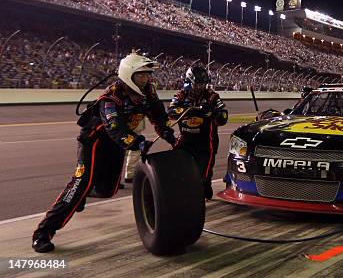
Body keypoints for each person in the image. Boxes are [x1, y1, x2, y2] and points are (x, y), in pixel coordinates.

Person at [32, 52, 176, 253]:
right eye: (140, 74)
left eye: (147, 74)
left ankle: (82, 193)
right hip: (93, 141)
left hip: (115, 145)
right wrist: (137, 142)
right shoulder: (111, 98)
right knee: (80, 183)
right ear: (128, 74)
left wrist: (168, 133)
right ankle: (42, 233)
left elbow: (158, 116)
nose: (145, 79)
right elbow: (115, 129)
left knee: (108, 190)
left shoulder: (148, 91)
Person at [168, 65, 228, 200]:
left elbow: (224, 117)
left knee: (203, 177)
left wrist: (213, 113)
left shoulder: (212, 97)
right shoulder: (181, 95)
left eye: (203, 84)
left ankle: (205, 186)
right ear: (189, 82)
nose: (200, 87)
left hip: (206, 144)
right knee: (180, 173)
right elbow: (171, 111)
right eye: (197, 84)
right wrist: (191, 111)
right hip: (185, 142)